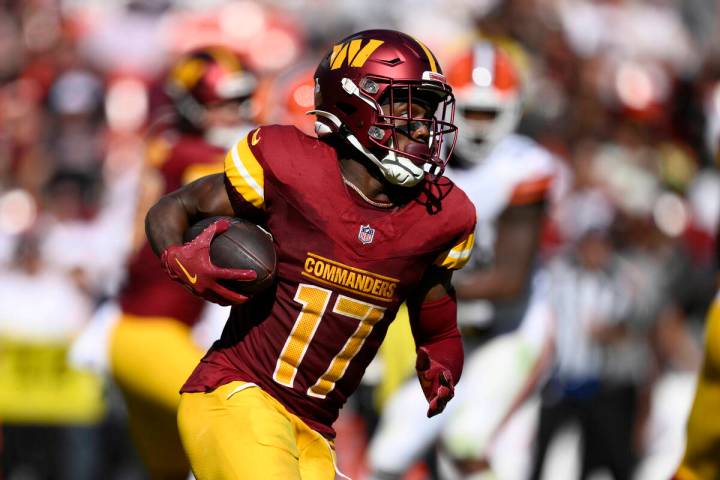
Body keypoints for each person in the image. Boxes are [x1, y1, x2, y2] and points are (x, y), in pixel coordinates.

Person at [145, 29, 476, 480]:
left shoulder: (441, 213)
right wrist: (177, 255)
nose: (421, 123)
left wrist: (441, 354)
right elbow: (176, 207)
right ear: (354, 102)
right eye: (406, 104)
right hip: (238, 393)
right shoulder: (290, 165)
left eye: (426, 109)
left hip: (316, 429)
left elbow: (436, 309)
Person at [368, 41, 558, 480]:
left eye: (488, 113)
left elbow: (508, 280)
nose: (476, 126)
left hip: (513, 330)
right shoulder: (421, 158)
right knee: (387, 456)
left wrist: (403, 282)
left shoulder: (523, 168)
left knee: (467, 442)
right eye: (469, 111)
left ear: (512, 111)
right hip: (452, 328)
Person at [71, 46, 258, 480]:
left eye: (240, 100)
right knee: (234, 422)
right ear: (194, 104)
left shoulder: (169, 145)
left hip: (137, 332)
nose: (237, 111)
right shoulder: (199, 161)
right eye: (224, 102)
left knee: (171, 471)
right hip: (151, 336)